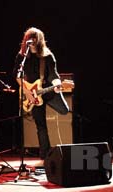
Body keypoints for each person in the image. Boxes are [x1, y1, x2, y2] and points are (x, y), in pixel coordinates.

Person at [13, 27, 69, 163]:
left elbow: (54, 74)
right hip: (32, 94)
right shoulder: (22, 57)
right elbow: (17, 75)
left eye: (34, 38)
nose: (32, 40)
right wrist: (27, 93)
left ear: (39, 40)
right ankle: (46, 156)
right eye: (30, 38)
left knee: (64, 110)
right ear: (26, 40)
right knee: (41, 126)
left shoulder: (47, 55)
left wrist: (57, 86)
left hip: (47, 91)